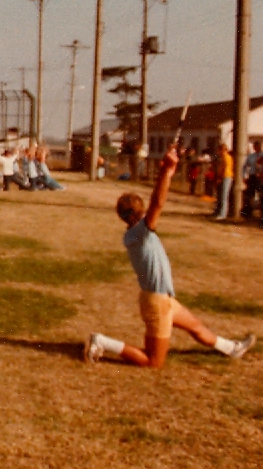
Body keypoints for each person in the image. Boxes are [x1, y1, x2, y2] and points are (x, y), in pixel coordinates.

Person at [85, 144, 255, 368]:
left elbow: (155, 204)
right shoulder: (141, 232)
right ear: (140, 213)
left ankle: (232, 349)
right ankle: (102, 342)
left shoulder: (133, 234)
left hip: (160, 299)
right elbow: (158, 202)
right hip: (157, 303)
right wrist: (166, 171)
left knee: (195, 326)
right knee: (153, 361)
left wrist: (168, 170)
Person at [213, 143, 233, 220]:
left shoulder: (226, 157)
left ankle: (223, 214)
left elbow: (226, 169)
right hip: (222, 177)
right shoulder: (222, 157)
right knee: (220, 195)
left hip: (226, 177)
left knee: (224, 196)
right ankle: (217, 211)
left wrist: (220, 177)